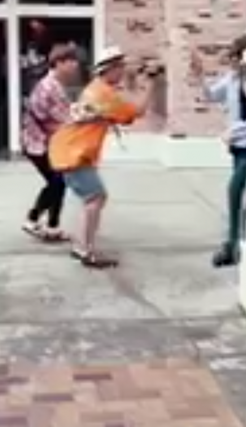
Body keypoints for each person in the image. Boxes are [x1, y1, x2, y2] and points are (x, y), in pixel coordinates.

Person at [49, 47, 158, 269]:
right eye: (119, 67)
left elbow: (122, 104)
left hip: (70, 151)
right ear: (109, 69)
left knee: (92, 199)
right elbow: (136, 111)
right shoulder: (104, 95)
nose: (122, 71)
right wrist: (151, 83)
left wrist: (136, 79)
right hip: (74, 154)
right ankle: (84, 249)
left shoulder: (97, 88)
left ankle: (81, 246)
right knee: (95, 198)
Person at [192, 35, 246, 268]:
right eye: (232, 57)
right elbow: (211, 95)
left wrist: (233, 132)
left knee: (235, 190)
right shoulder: (232, 79)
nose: (232, 61)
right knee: (241, 195)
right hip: (237, 147)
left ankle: (234, 244)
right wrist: (199, 76)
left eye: (236, 57)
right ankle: (237, 241)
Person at [22, 43, 80, 242]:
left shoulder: (54, 84)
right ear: (59, 63)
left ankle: (53, 226)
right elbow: (60, 119)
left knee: (59, 182)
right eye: (71, 61)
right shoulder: (50, 86)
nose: (75, 65)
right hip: (38, 144)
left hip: (45, 142)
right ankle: (32, 219)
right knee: (58, 181)